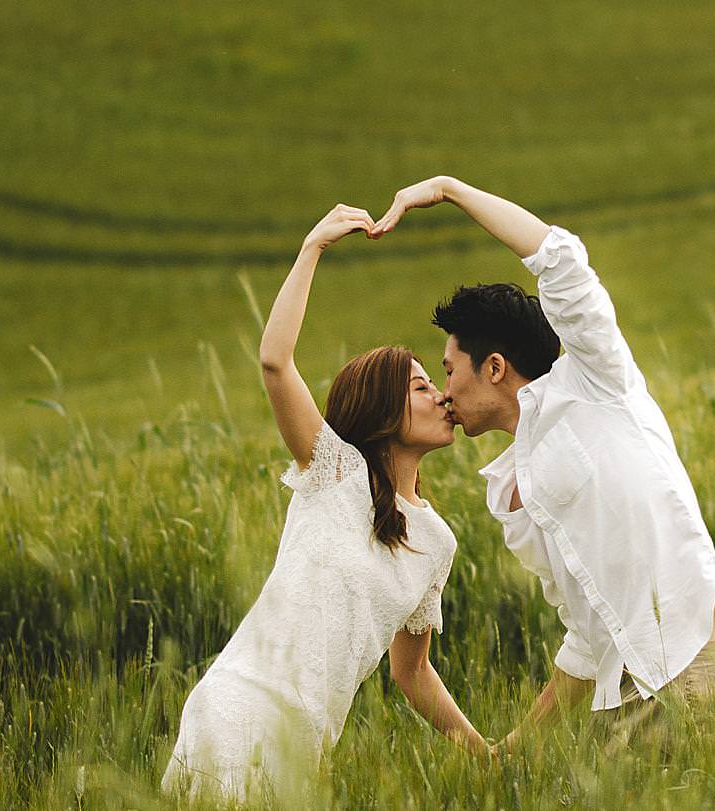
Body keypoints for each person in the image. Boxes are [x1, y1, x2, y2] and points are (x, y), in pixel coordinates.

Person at [370, 176, 715, 745]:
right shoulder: (508, 490)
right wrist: (512, 749)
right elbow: (585, 635)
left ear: (494, 367)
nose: (444, 392)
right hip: (619, 701)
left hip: (691, 670)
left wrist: (450, 190)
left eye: (449, 369)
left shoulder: (596, 383)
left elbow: (560, 259)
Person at [163, 204, 486, 802]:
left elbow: (410, 672)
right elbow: (274, 361)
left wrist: (483, 751)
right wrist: (312, 247)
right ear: (382, 409)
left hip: (307, 741)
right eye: (420, 387)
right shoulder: (336, 473)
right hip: (241, 707)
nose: (442, 396)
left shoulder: (437, 542)